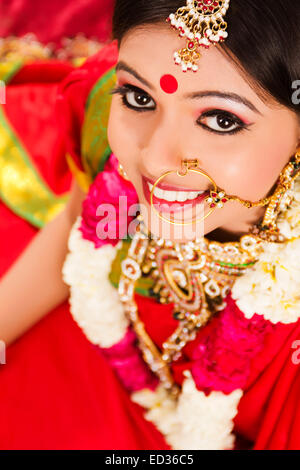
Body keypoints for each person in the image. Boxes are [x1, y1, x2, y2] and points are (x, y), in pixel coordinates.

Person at [0, 0, 300, 450]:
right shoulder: (105, 120)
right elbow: (73, 226)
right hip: (101, 353)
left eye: (221, 120)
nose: (156, 158)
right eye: (140, 98)